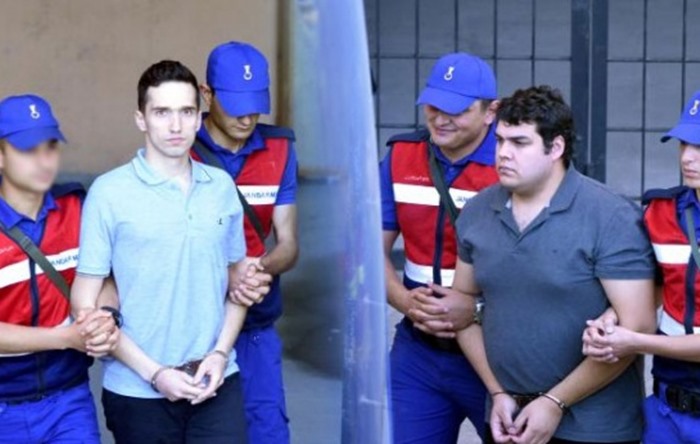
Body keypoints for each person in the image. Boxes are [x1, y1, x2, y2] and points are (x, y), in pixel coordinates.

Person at [70, 60, 272, 444]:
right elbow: (84, 302)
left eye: (186, 112)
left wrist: (219, 354)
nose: (176, 125)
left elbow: (238, 287)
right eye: (162, 112)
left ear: (199, 118)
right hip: (137, 389)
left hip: (216, 379)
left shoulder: (221, 187)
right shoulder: (108, 193)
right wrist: (155, 374)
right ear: (141, 119)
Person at [449, 85, 657, 443]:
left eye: (520, 143)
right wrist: (497, 392)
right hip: (509, 418)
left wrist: (554, 402)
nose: (503, 153)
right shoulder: (477, 210)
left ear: (556, 147)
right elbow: (462, 308)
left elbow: (636, 327)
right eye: (499, 141)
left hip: (596, 429)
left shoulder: (610, 216)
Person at [380, 52, 499, 442]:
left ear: (491, 112)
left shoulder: (510, 163)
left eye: (458, 110)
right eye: (433, 106)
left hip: (495, 352)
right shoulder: (401, 155)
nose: (441, 118)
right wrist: (403, 301)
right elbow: (369, 249)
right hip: (417, 350)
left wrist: (475, 310)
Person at [191, 40, 298, 444]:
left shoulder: (279, 149)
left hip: (256, 322)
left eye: (256, 104)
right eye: (236, 104)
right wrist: (228, 274)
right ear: (207, 95)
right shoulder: (181, 148)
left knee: (267, 431)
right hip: (192, 326)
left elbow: (288, 244)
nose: (248, 116)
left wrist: (257, 269)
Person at [583, 90, 700, 444]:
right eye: (684, 144)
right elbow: (661, 285)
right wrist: (610, 320)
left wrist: (633, 341)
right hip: (666, 410)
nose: (688, 157)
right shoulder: (661, 211)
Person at [0, 94, 119, 443]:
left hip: (69, 399)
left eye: (50, 146)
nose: (44, 160)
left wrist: (106, 315)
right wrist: (65, 338)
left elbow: (104, 278)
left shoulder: (78, 208)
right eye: (28, 150)